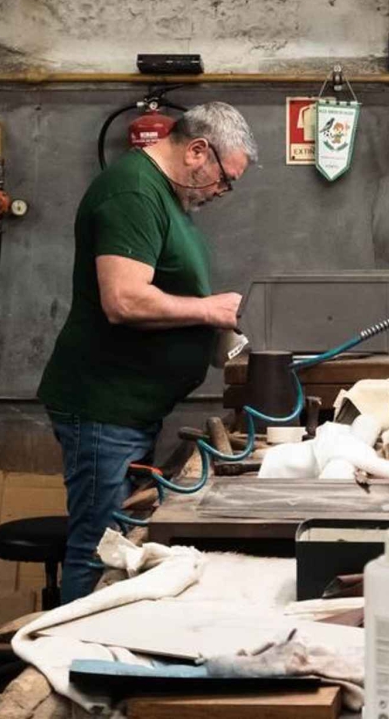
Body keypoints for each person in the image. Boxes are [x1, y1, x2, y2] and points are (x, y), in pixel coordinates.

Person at [38, 102, 256, 601]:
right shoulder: (134, 192)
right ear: (198, 151)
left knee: (119, 542)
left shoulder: (163, 196)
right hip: (103, 406)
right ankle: (72, 665)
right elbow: (123, 299)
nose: (222, 193)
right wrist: (208, 312)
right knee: (99, 547)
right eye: (225, 180)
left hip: (129, 409)